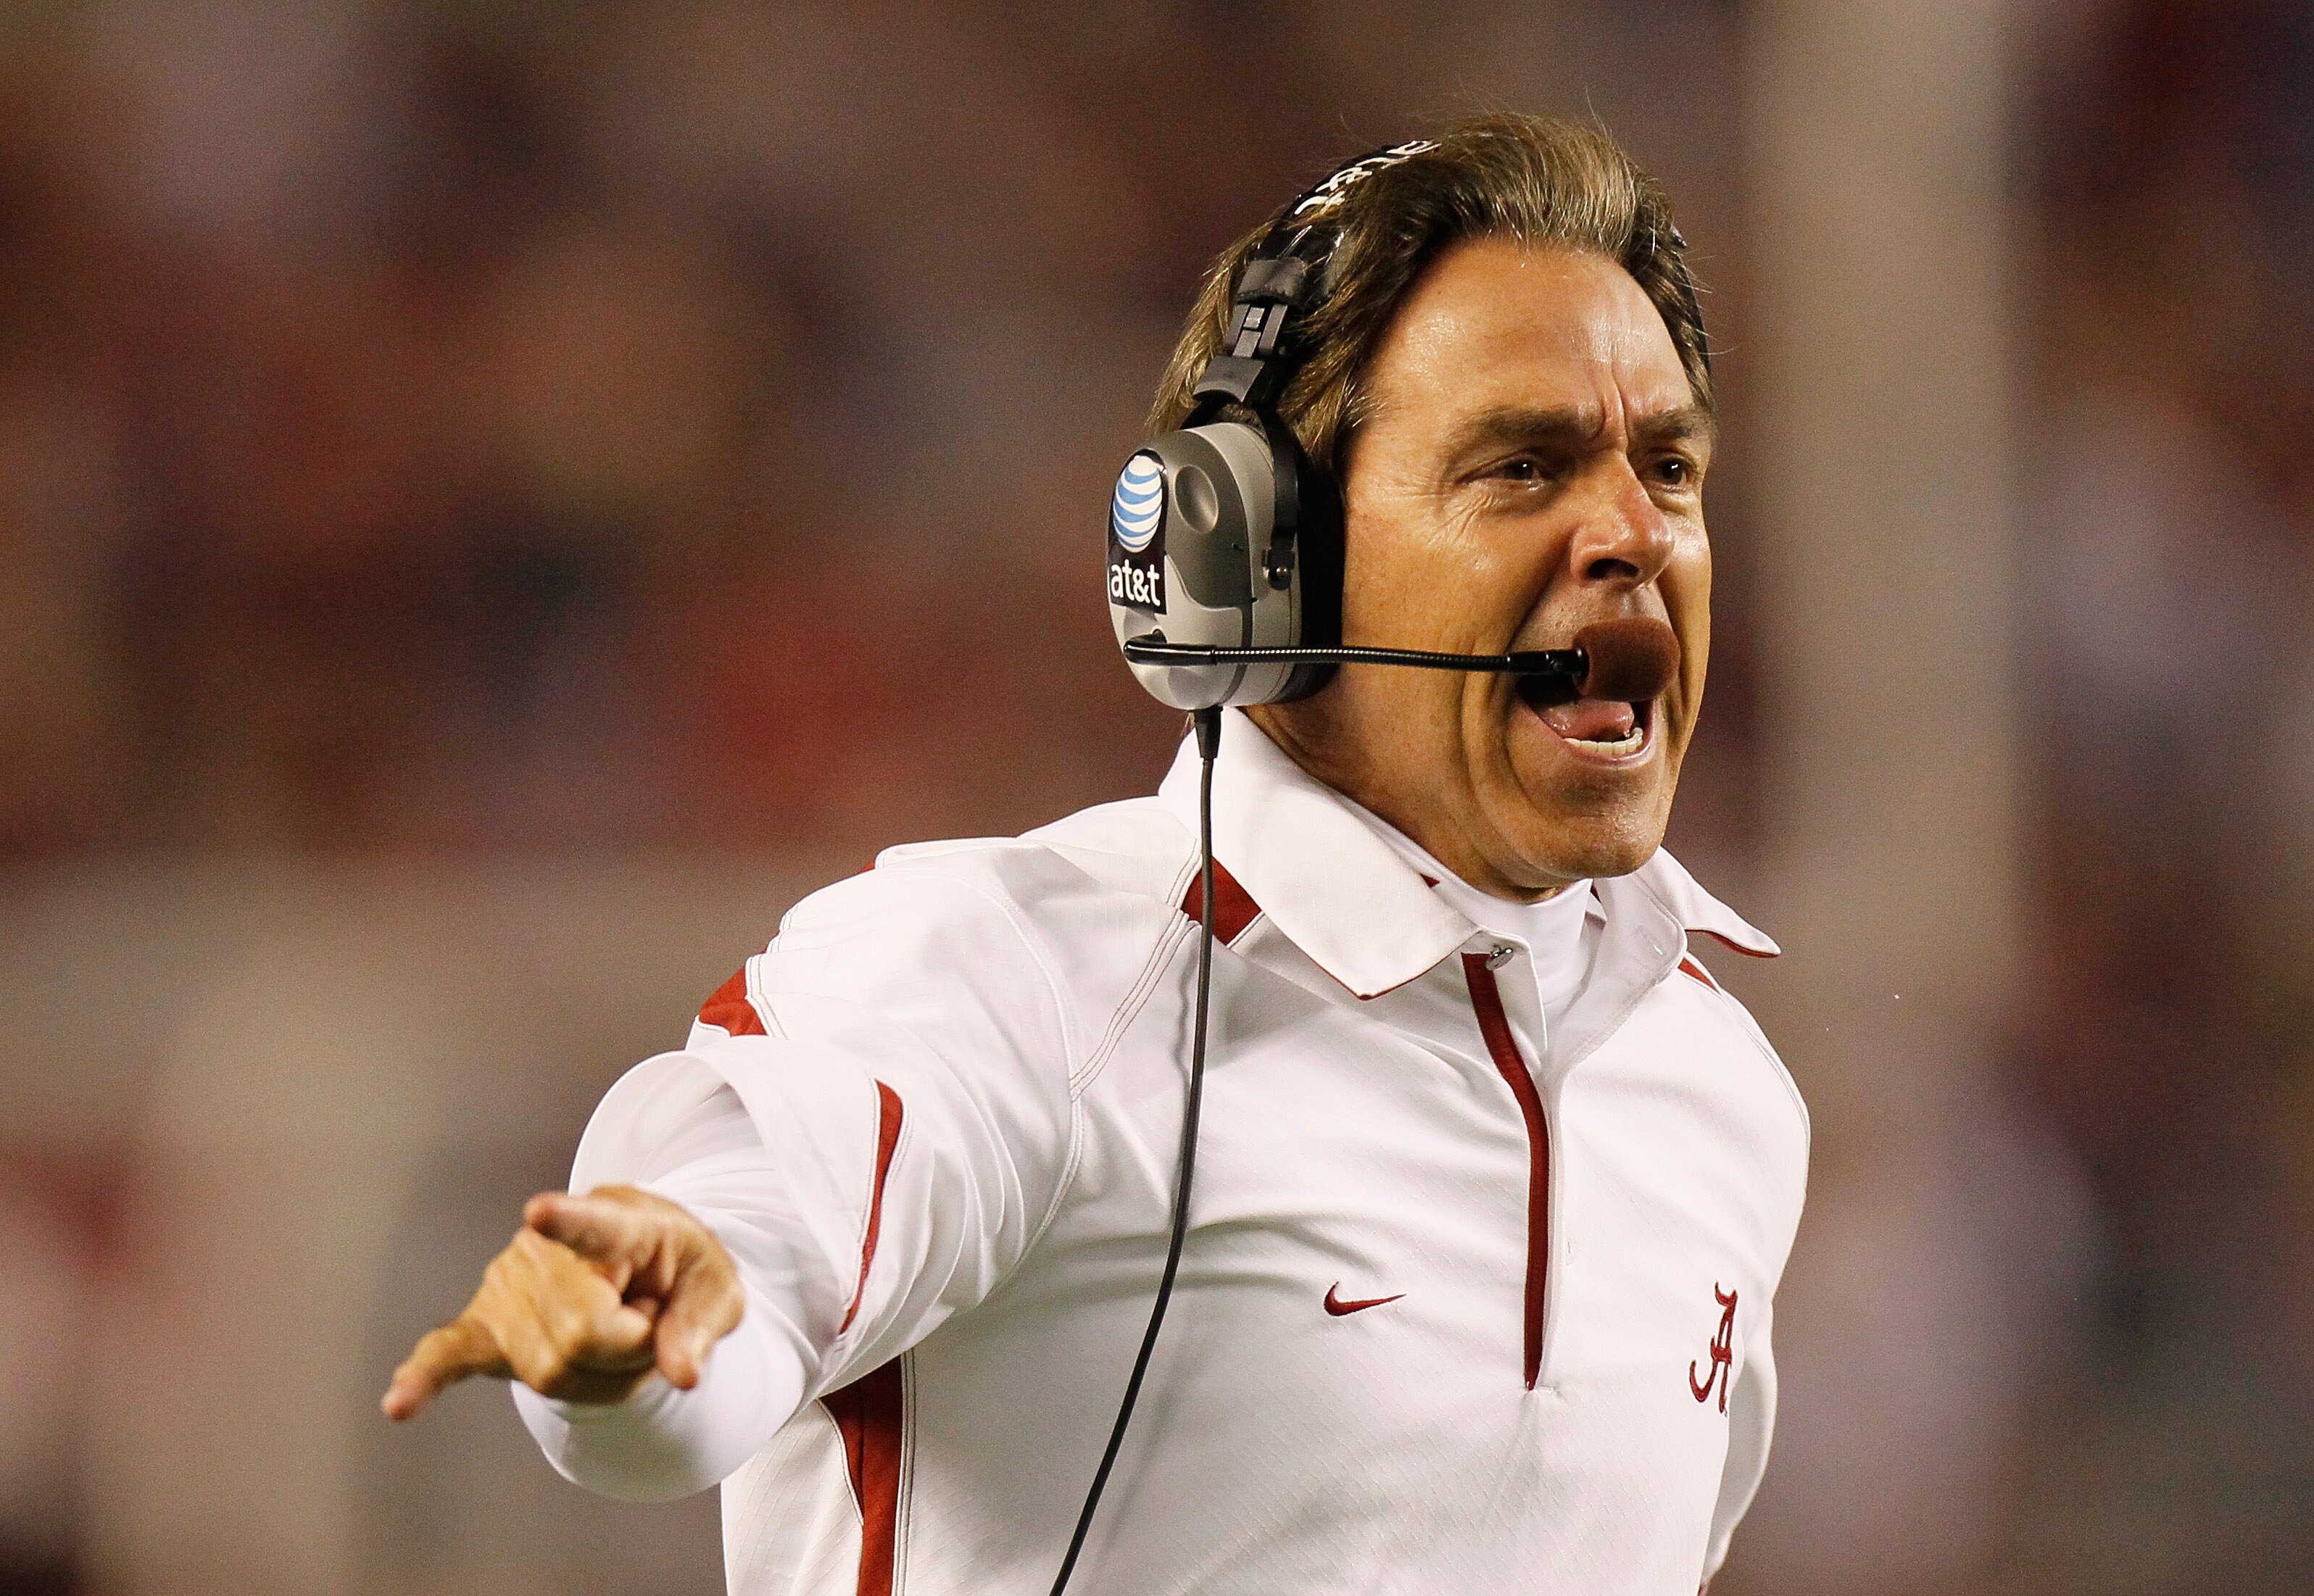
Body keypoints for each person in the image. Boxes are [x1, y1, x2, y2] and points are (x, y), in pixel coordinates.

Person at [383, 112, 1808, 1596]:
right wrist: (652, 1328)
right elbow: (721, 1290)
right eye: (1522, 465)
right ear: (1262, 557)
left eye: (1671, 467)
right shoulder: (1021, 975)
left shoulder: (1723, 1091)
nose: (1635, 533)